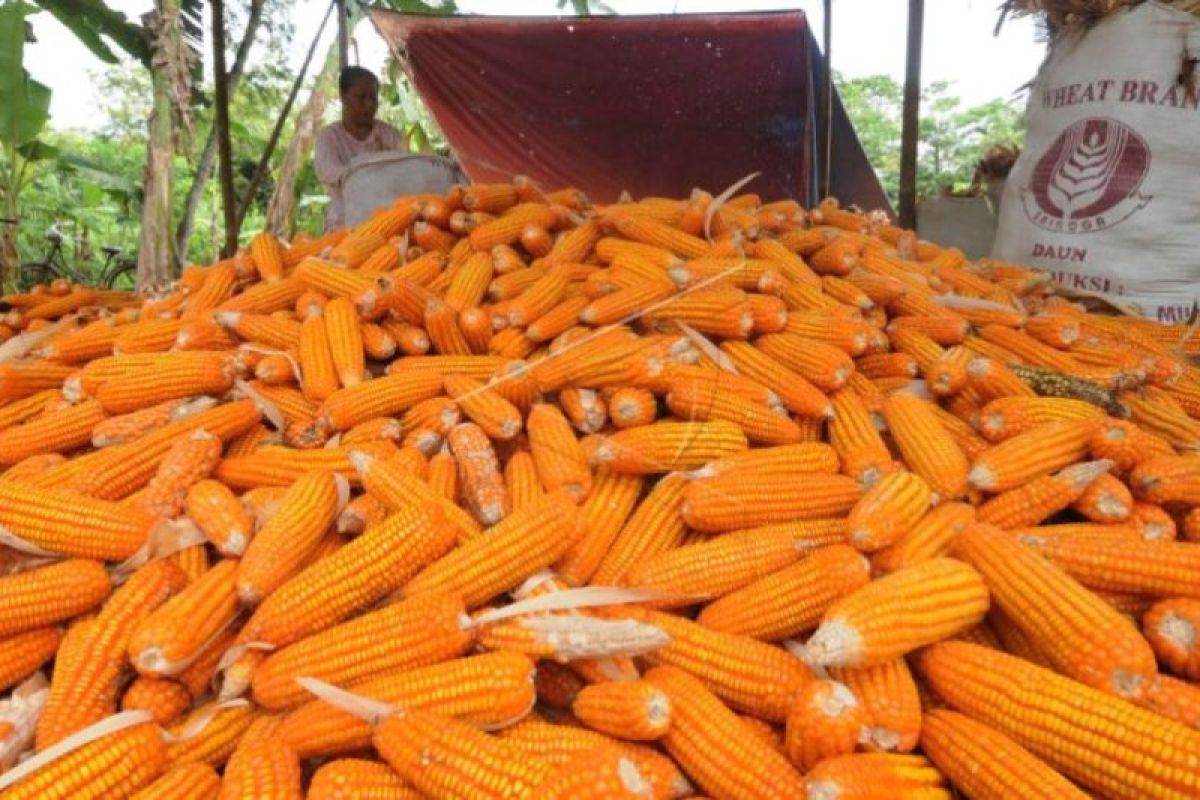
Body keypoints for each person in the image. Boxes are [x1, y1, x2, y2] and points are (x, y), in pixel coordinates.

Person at [314, 66, 407, 231]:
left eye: (373, 98)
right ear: (343, 97)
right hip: (342, 225)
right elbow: (329, 172)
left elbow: (407, 171)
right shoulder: (328, 138)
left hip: (388, 225)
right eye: (361, 98)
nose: (369, 104)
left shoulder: (390, 135)